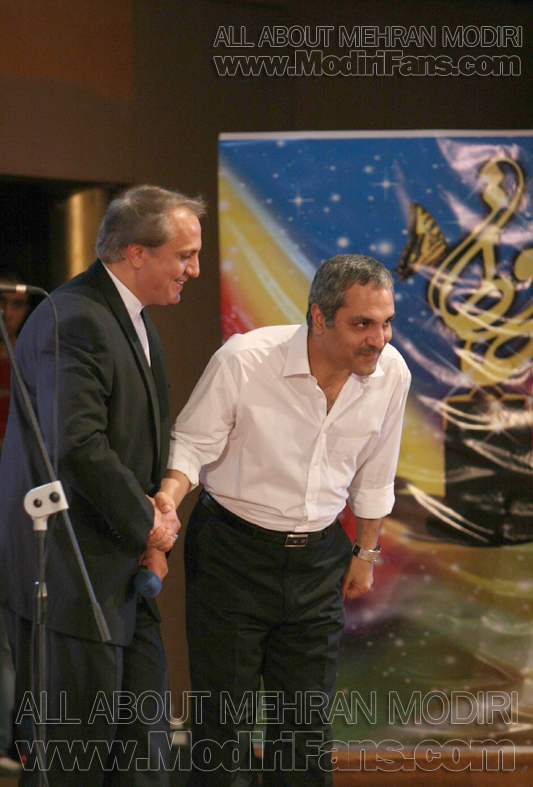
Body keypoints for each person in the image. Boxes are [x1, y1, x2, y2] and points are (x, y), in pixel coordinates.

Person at [153, 254, 411, 786]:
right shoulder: (245, 359)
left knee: (305, 735)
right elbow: (192, 445)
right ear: (319, 317)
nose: (378, 339)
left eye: (386, 323)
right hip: (231, 554)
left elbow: (377, 472)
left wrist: (365, 553)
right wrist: (167, 504)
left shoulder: (392, 373)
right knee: (223, 729)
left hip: (319, 560)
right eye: (362, 324)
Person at [0, 185, 205, 787]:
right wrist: (151, 525)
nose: (194, 269)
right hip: (68, 580)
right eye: (184, 255)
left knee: (142, 764)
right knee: (72, 766)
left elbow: (133, 444)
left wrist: (151, 529)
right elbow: (79, 446)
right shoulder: (74, 316)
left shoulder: (131, 318)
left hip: (119, 581)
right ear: (136, 252)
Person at [0, 273, 31, 777]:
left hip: (20, 510)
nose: (6, 313)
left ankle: (15, 743)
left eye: (13, 303)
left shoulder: (34, 358)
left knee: (16, 631)